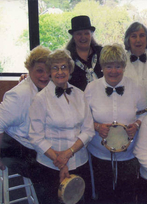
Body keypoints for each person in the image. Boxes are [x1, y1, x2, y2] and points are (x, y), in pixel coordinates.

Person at [84, 44, 147, 203]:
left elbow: (146, 112)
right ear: (102, 67)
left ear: (124, 67)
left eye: (118, 66)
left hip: (128, 156)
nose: (114, 71)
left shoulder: (135, 87)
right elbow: (83, 118)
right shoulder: (91, 88)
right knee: (103, 197)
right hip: (99, 155)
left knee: (126, 197)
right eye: (109, 66)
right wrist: (97, 127)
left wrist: (137, 125)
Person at [28, 49, 95, 204]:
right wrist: (60, 161)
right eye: (55, 68)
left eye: (63, 67)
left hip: (79, 162)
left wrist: (68, 154)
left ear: (70, 70)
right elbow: (35, 136)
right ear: (49, 72)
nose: (60, 72)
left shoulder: (79, 94)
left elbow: (88, 130)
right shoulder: (40, 99)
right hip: (50, 166)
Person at [0, 45, 51, 180]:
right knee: (53, 171)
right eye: (40, 71)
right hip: (17, 149)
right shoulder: (21, 94)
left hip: (31, 144)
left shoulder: (44, 85)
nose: (45, 76)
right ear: (29, 69)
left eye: (48, 71)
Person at [66, 15, 103, 91]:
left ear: (91, 34)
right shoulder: (67, 58)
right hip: (77, 101)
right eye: (79, 34)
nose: (83, 37)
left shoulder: (102, 53)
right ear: (73, 36)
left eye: (86, 33)